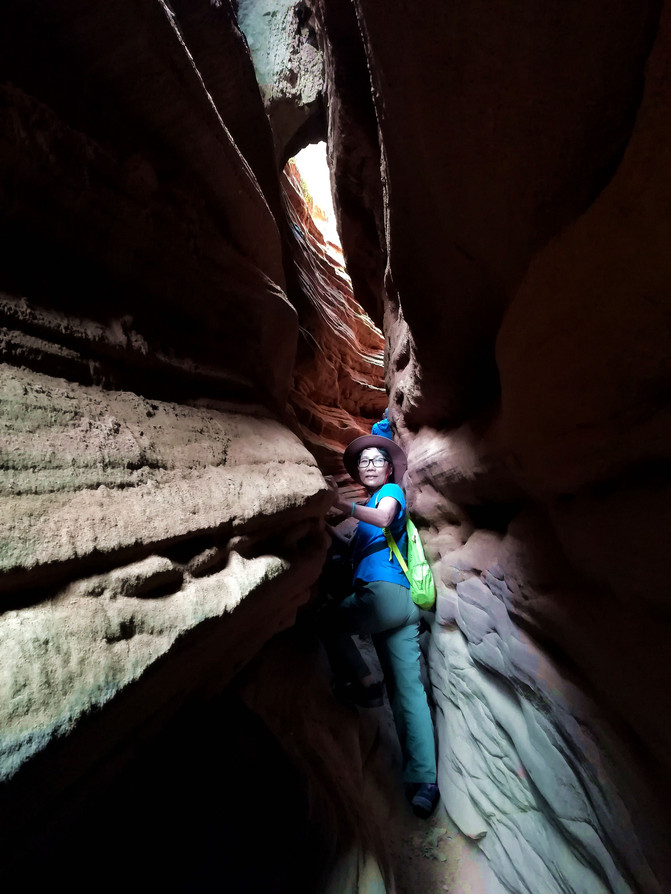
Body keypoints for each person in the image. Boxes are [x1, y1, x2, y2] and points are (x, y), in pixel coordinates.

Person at [322, 434, 439, 818]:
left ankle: (364, 682)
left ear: (389, 469)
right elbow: (346, 544)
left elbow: (386, 517)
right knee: (408, 692)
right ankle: (423, 783)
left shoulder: (389, 493)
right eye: (363, 462)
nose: (369, 465)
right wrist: (319, 522)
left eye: (377, 460)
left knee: (327, 620)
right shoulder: (367, 513)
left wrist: (341, 503)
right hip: (402, 609)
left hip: (386, 595)